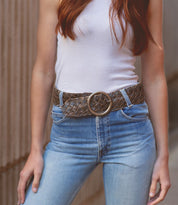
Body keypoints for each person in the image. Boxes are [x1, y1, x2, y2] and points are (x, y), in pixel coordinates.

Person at [17, 0, 171, 204]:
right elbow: (43, 71)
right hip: (68, 136)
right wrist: (35, 150)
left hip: (129, 130)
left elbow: (155, 78)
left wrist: (163, 156)